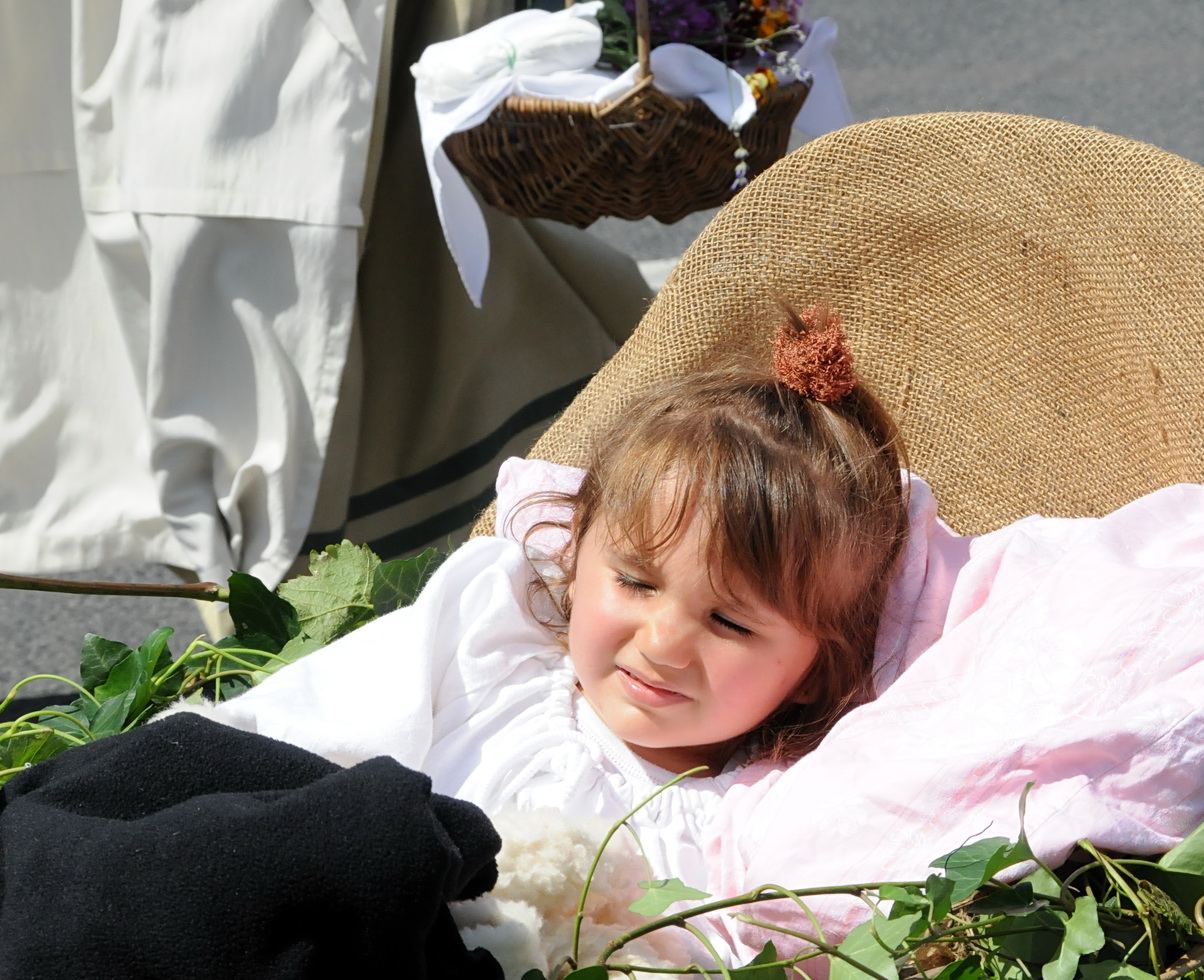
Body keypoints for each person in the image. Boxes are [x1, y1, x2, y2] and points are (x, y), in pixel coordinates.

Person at [179, 304, 910, 894]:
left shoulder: (758, 823)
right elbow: (285, 735)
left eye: (728, 621)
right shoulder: (486, 653)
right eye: (635, 581)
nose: (661, 642)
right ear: (576, 546)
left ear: (816, 664)